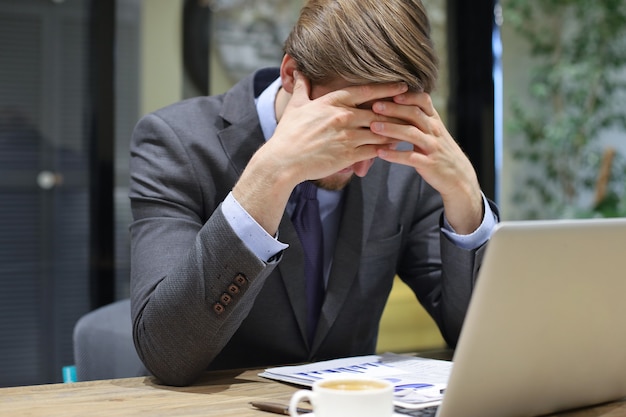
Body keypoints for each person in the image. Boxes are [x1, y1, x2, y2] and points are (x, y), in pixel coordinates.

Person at [129, 0, 499, 387]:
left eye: (380, 131)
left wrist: (464, 196)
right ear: (291, 75)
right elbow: (166, 352)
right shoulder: (175, 144)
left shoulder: (402, 162)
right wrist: (271, 174)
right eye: (346, 128)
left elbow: (479, 339)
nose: (363, 166)